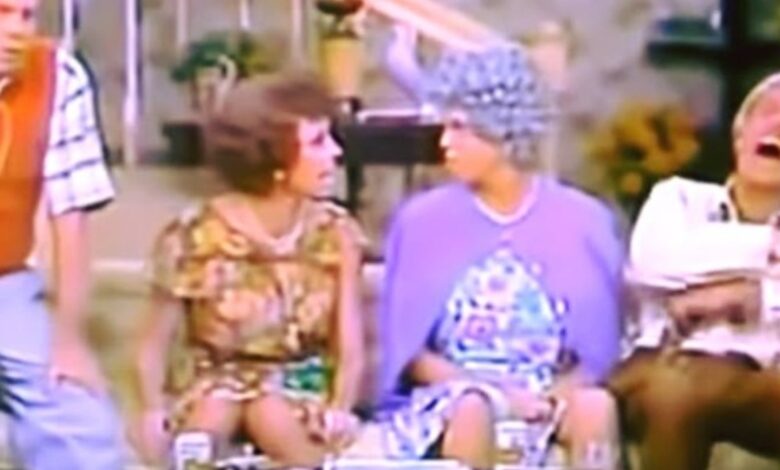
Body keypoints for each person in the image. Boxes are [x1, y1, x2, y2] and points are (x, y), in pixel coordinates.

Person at [374, 38, 624, 469]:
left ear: (503, 131)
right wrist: (500, 397)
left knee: (595, 407)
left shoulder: (583, 220)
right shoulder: (422, 221)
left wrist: (555, 394)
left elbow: (598, 352)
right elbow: (411, 354)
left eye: (459, 127)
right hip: (455, 394)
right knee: (472, 409)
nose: (444, 142)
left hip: (548, 394)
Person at [129, 72, 368, 467]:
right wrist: (151, 410)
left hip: (298, 384)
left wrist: (340, 407)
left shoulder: (336, 233)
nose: (336, 152)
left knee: (268, 411)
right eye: (317, 142)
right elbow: (152, 345)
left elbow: (350, 345)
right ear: (274, 159)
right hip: (212, 384)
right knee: (215, 411)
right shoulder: (195, 234)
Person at [609, 73, 780, 470]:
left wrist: (754, 297)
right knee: (650, 388)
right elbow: (656, 260)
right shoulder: (678, 198)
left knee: (676, 386)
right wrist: (768, 248)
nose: (778, 126)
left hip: (762, 381)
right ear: (739, 137)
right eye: (769, 112)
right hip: (659, 366)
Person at [0, 0, 124, 468]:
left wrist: (69, 340)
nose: (18, 30)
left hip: (6, 285)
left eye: (27, 15)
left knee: (83, 425)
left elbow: (70, 213)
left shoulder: (60, 78)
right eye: (2, 12)